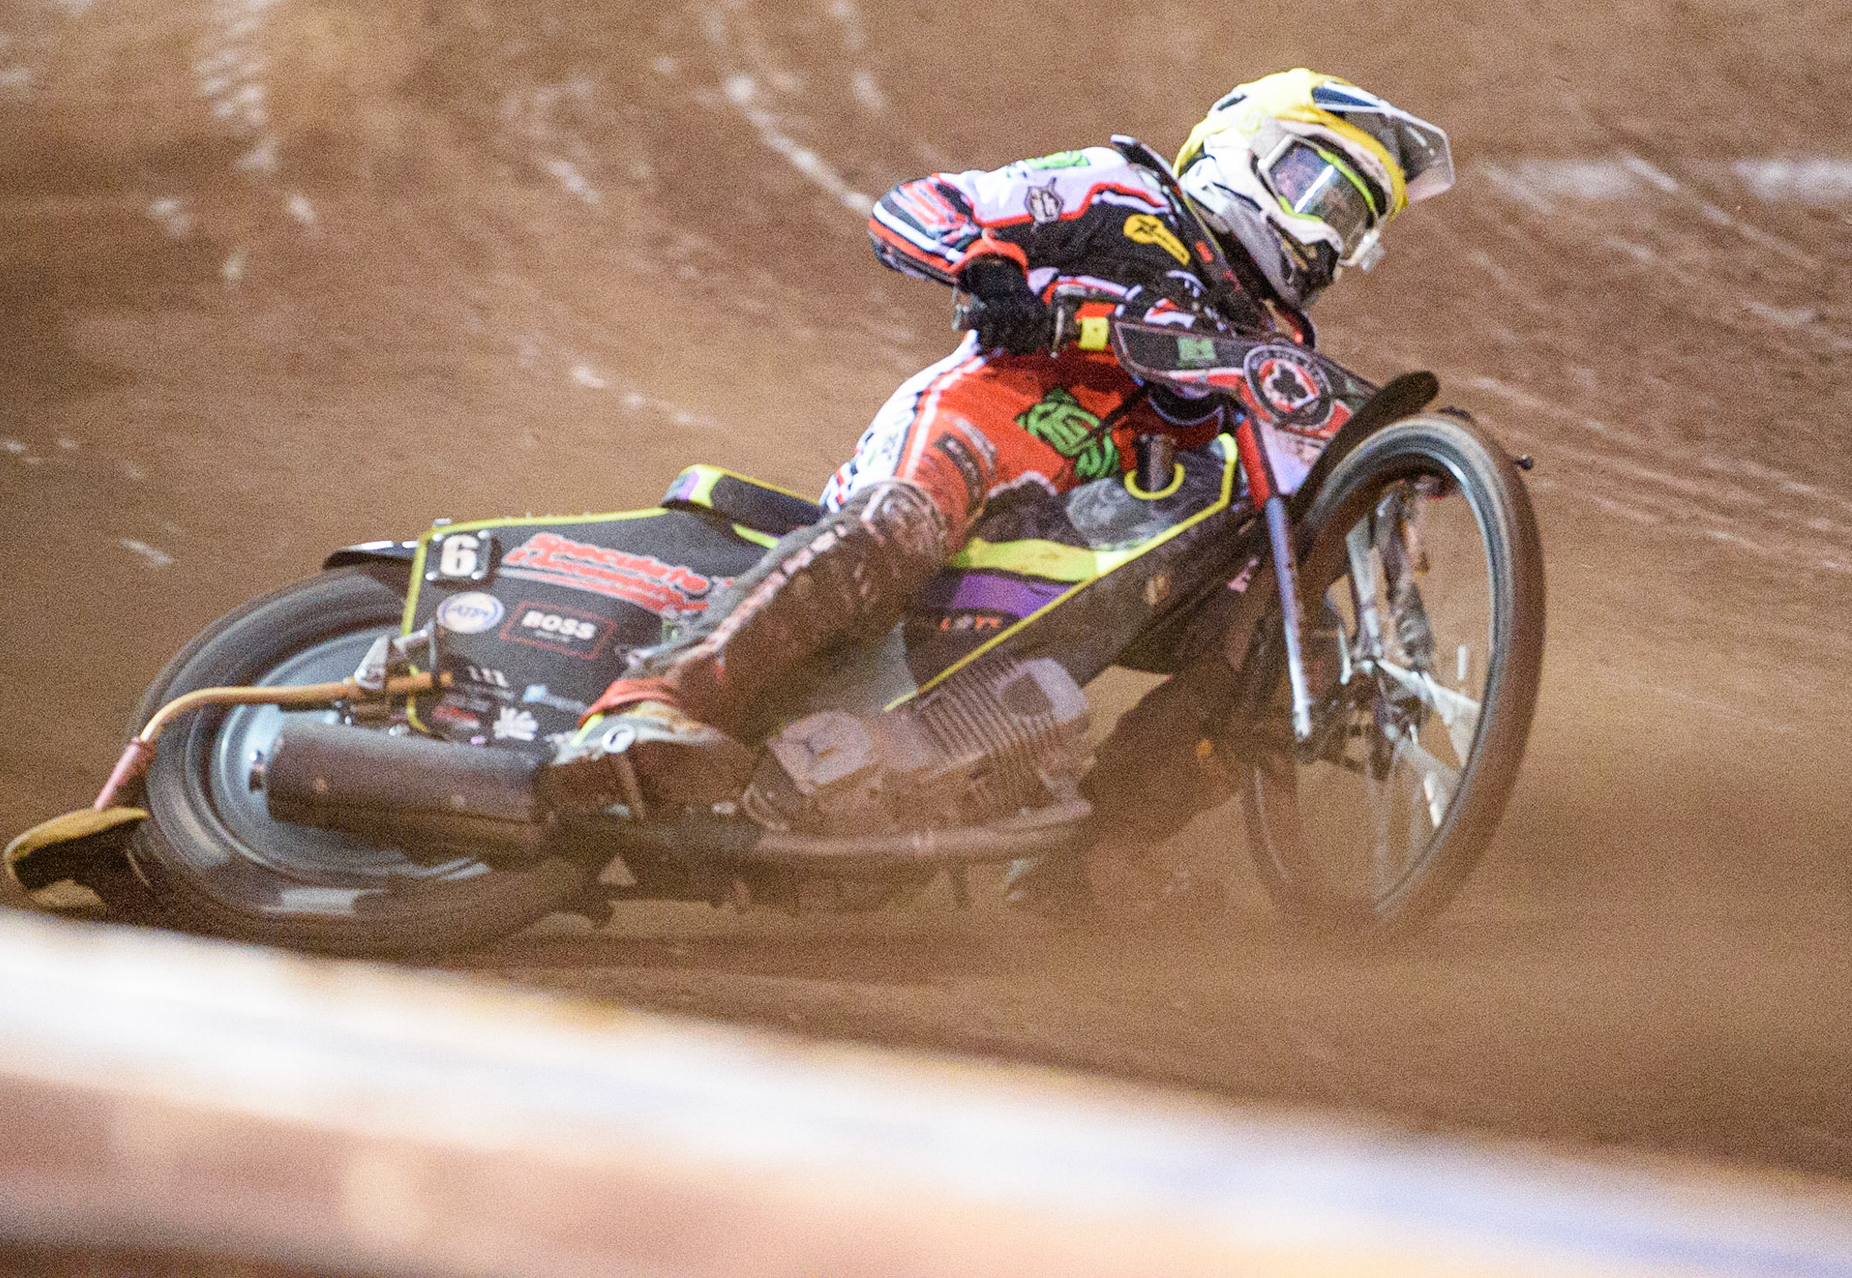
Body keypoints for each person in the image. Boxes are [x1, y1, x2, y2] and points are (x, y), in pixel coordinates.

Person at [544, 69, 1454, 911]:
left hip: (1096, 525)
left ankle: (1088, 860)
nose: (1334, 233)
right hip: (998, 413)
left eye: (1360, 220)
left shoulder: (1276, 346)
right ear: (1245, 151)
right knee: (906, 521)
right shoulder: (1126, 192)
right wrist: (987, 269)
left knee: (1290, 645)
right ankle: (656, 701)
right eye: (1323, 193)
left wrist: (1392, 498)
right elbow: (923, 206)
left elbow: (1305, 488)